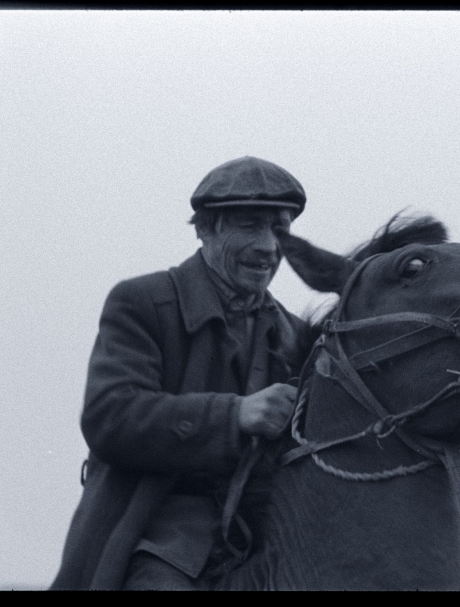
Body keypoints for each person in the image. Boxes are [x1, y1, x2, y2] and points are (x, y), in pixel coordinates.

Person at [51, 156, 313, 590]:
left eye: (280, 230)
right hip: (159, 533)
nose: (269, 247)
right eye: (250, 225)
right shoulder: (141, 302)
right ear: (205, 229)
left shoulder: (296, 335)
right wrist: (236, 415)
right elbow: (108, 417)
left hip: (270, 538)